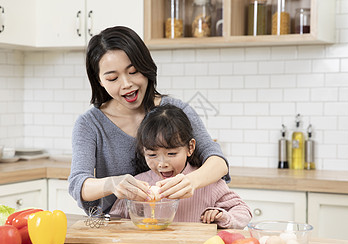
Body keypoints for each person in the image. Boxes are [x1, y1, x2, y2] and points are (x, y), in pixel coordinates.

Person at [68, 26, 230, 214]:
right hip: (117, 228)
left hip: (179, 224)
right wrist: (112, 184)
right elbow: (78, 183)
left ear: (146, 67)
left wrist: (190, 181)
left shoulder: (176, 111)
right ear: (99, 81)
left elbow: (218, 162)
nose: (127, 84)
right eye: (113, 78)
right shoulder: (90, 124)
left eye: (134, 71)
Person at [110, 104, 252, 229]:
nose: (162, 163)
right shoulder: (139, 183)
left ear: (190, 147)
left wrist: (222, 216)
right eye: (152, 155)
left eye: (171, 153)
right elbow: (115, 219)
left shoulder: (209, 183)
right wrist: (135, 210)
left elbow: (243, 211)